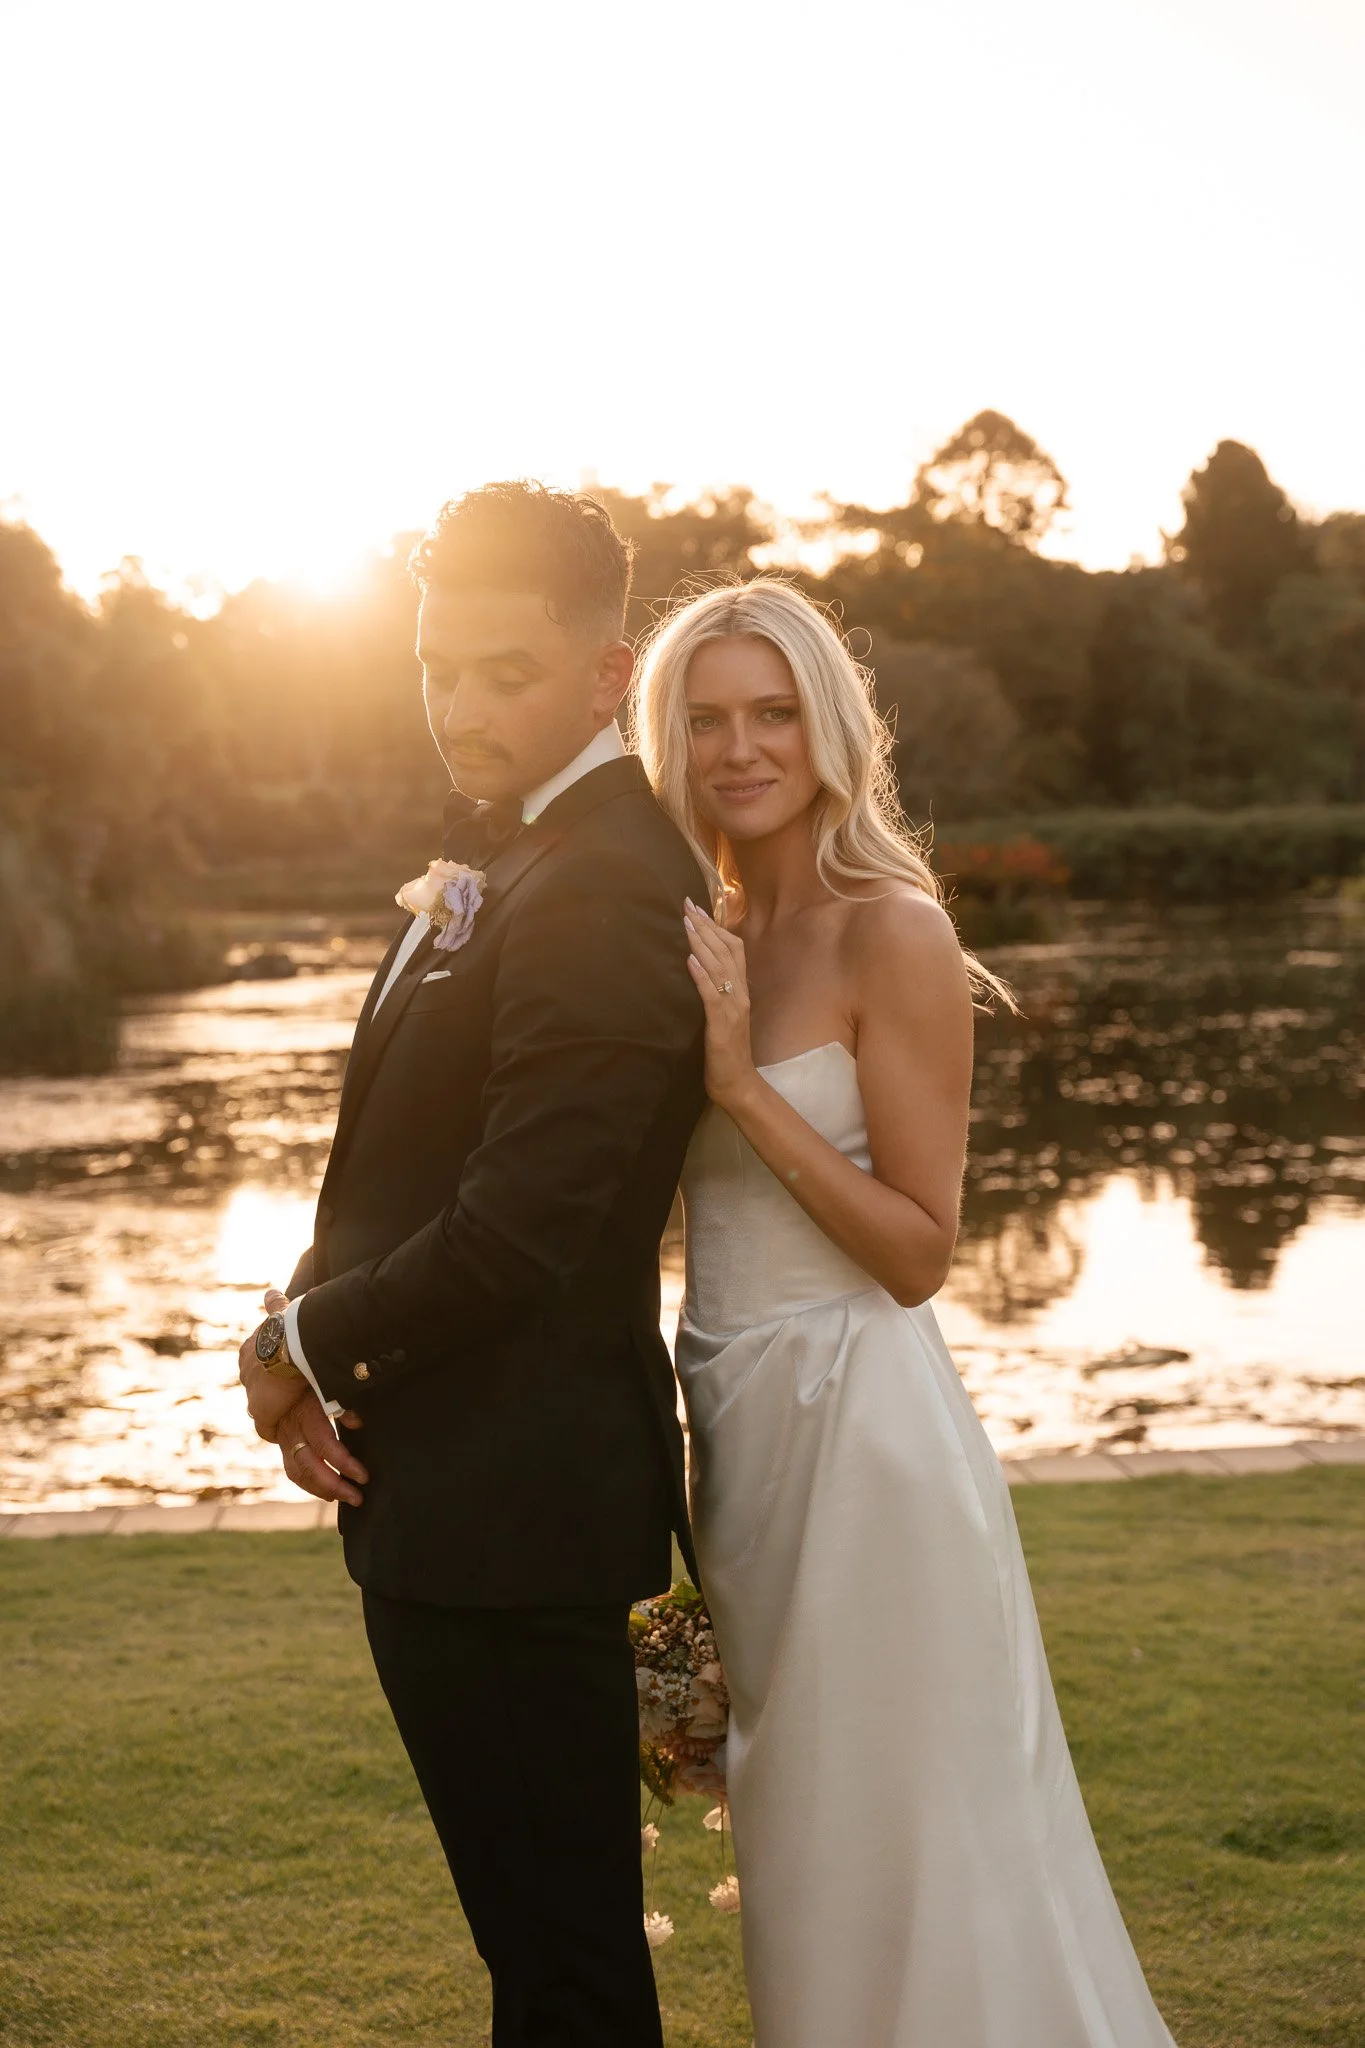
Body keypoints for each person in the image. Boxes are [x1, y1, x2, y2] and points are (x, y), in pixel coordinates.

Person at [634, 578, 1177, 2048]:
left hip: (864, 1435)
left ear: (827, 725)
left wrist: (741, 1084)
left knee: (915, 1841)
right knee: (806, 1853)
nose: (739, 747)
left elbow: (922, 1252)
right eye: (703, 719)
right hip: (734, 1430)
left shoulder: (898, 931)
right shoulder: (699, 931)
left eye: (771, 711)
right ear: (664, 743)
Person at [236, 483, 707, 2048]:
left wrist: (303, 1343)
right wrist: (305, 1335)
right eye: (439, 668)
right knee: (541, 1955)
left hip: (518, 1514)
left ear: (601, 672)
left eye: (504, 673)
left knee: (567, 1967)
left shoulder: (609, 882)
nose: (460, 707)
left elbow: (522, 1228)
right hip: (448, 1489)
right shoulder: (510, 860)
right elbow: (395, 1167)